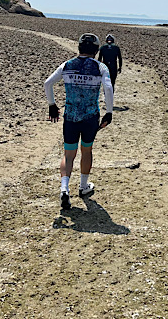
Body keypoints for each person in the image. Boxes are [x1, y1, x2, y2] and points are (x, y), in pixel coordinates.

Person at [45, 33, 114, 210]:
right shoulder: (100, 67)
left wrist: (52, 105)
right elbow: (108, 88)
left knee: (68, 154)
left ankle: (64, 188)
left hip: (71, 116)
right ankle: (83, 186)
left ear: (79, 47)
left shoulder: (67, 65)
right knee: (86, 150)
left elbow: (48, 83)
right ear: (96, 50)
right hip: (90, 117)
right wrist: (109, 112)